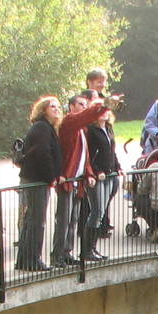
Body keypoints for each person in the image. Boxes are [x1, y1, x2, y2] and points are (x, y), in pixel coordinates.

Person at [52, 92, 111, 266]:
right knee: (63, 220)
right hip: (67, 181)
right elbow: (86, 116)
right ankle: (57, 255)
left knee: (72, 220)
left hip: (78, 182)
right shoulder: (69, 122)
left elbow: (83, 157)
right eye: (81, 104)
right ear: (71, 107)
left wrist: (89, 174)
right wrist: (104, 105)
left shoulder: (82, 131)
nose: (85, 108)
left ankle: (67, 252)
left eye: (86, 105)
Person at [14, 95, 62, 272]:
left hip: (37, 179)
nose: (56, 109)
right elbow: (42, 154)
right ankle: (32, 259)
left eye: (58, 106)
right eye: (52, 107)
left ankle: (25, 260)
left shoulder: (46, 128)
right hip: (37, 180)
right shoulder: (42, 127)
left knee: (32, 220)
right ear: (43, 110)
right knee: (36, 221)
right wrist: (51, 177)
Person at [85, 100, 120, 258]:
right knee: (97, 211)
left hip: (110, 174)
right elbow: (90, 154)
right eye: (101, 110)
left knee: (101, 211)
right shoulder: (91, 131)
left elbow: (112, 151)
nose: (105, 113)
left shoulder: (108, 128)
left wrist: (118, 167)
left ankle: (92, 248)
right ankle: (87, 250)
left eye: (107, 111)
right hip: (99, 176)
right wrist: (96, 171)